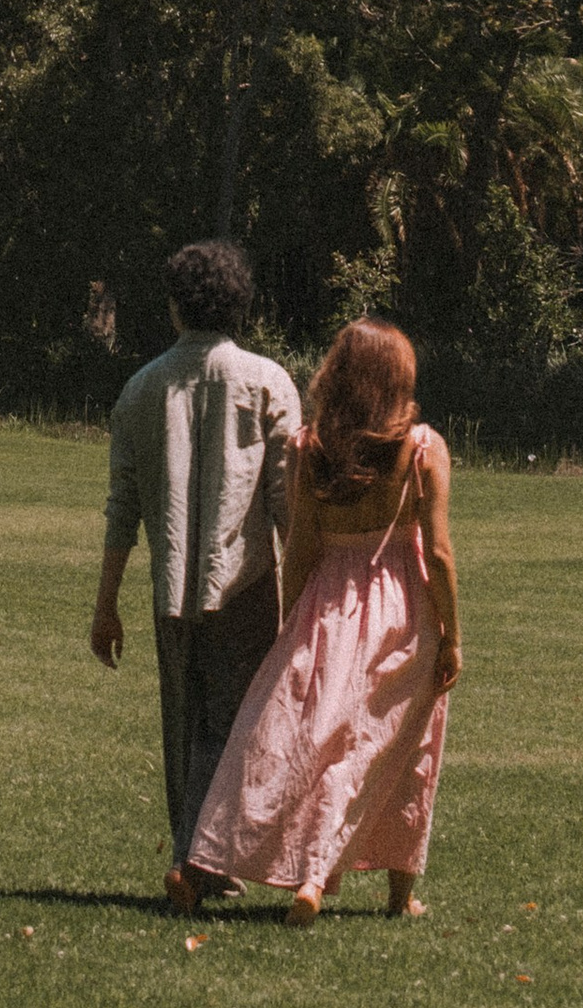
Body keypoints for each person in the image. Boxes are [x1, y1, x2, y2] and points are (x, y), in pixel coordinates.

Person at [176, 314, 460, 924]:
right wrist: (453, 637)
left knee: (287, 737)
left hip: (326, 605)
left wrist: (291, 625)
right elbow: (436, 553)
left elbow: (301, 547)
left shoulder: (310, 449)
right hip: (400, 606)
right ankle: (381, 891)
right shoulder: (423, 449)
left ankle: (208, 860)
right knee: (401, 745)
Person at [88, 239, 300, 899]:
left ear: (177, 303)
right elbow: (287, 502)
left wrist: (105, 602)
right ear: (239, 303)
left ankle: (200, 857)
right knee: (236, 722)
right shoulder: (269, 380)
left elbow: (122, 507)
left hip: (170, 582)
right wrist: (307, 592)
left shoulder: (140, 387)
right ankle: (197, 859)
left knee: (185, 722)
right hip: (247, 581)